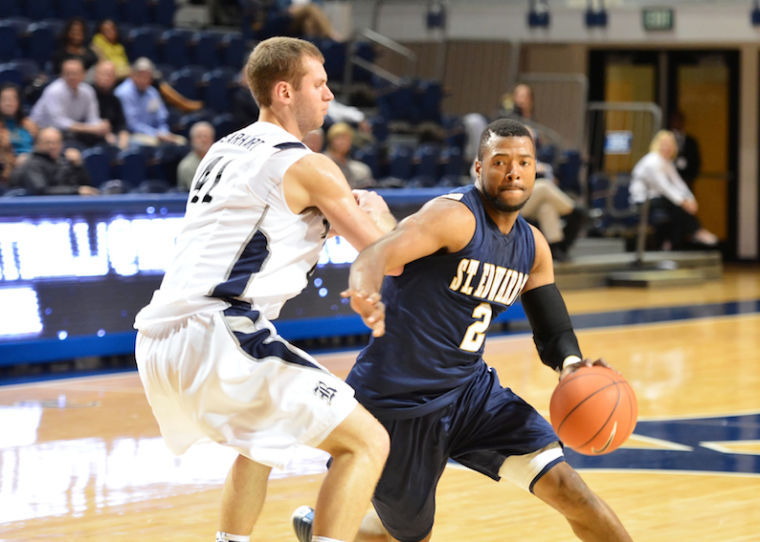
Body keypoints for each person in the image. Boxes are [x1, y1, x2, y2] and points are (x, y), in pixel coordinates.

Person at [293, 118, 634, 542]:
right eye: (500, 161)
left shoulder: (533, 246)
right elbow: (379, 252)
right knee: (403, 537)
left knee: (571, 489)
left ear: (535, 170)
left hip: (472, 395)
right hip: (399, 402)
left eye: (524, 163)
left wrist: (570, 365)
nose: (513, 172)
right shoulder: (453, 217)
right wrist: (363, 283)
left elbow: (552, 328)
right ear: (478, 168)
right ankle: (322, 530)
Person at [133, 36, 397, 542]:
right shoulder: (308, 165)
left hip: (159, 337)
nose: (328, 97)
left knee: (260, 440)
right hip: (219, 330)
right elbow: (387, 253)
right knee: (366, 442)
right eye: (318, 85)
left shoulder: (222, 149)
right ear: (283, 91)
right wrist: (380, 216)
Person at [630, 130, 718, 250]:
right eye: (664, 144)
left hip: (658, 199)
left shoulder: (666, 162)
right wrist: (683, 202)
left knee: (677, 209)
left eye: (670, 144)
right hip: (642, 200)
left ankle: (671, 245)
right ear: (657, 144)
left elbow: (678, 183)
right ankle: (696, 230)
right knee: (676, 205)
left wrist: (690, 199)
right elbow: (664, 186)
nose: (667, 147)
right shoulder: (652, 161)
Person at [29, 57, 111, 149]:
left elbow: (92, 118)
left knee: (106, 141)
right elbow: (59, 123)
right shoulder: (54, 91)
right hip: (45, 132)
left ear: (84, 74)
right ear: (62, 75)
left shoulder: (88, 91)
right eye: (68, 73)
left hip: (73, 132)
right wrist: (90, 128)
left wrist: (101, 126)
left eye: (75, 73)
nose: (72, 77)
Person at [115, 57, 187, 147]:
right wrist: (156, 134)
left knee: (181, 142)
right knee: (154, 143)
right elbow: (132, 125)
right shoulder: (124, 92)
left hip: (157, 134)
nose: (144, 80)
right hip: (131, 135)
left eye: (147, 77)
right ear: (133, 75)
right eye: (141, 76)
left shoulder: (152, 92)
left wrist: (164, 133)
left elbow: (162, 118)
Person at [8, 126, 97, 195]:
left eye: (56, 142)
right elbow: (41, 191)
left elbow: (86, 186)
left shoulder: (66, 160)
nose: (53, 146)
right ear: (38, 144)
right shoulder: (33, 163)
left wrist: (78, 166)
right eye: (48, 142)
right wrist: (76, 191)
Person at [92, 61, 130, 150]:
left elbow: (121, 124)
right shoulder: (87, 94)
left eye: (110, 75)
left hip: (113, 138)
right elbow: (87, 120)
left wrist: (123, 139)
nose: (106, 78)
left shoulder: (114, 98)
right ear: (95, 75)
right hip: (92, 138)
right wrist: (104, 134)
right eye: (103, 74)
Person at [324, 122, 375, 189]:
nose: (343, 142)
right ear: (331, 140)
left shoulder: (354, 166)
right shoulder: (323, 161)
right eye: (338, 138)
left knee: (363, 170)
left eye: (346, 138)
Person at [0, 83, 37, 156]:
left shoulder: (28, 123)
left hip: (34, 162)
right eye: (4, 100)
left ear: (18, 102)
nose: (8, 103)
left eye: (12, 99)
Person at [667, 110, 701, 190]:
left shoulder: (691, 141)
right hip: (668, 181)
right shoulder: (665, 139)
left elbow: (696, 162)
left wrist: (690, 179)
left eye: (679, 120)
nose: (676, 123)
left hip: (686, 180)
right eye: (674, 120)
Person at [176, 121, 215, 191]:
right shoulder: (187, 165)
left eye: (206, 136)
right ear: (192, 140)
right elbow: (198, 192)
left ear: (212, 140)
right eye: (199, 137)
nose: (204, 140)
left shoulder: (219, 160)